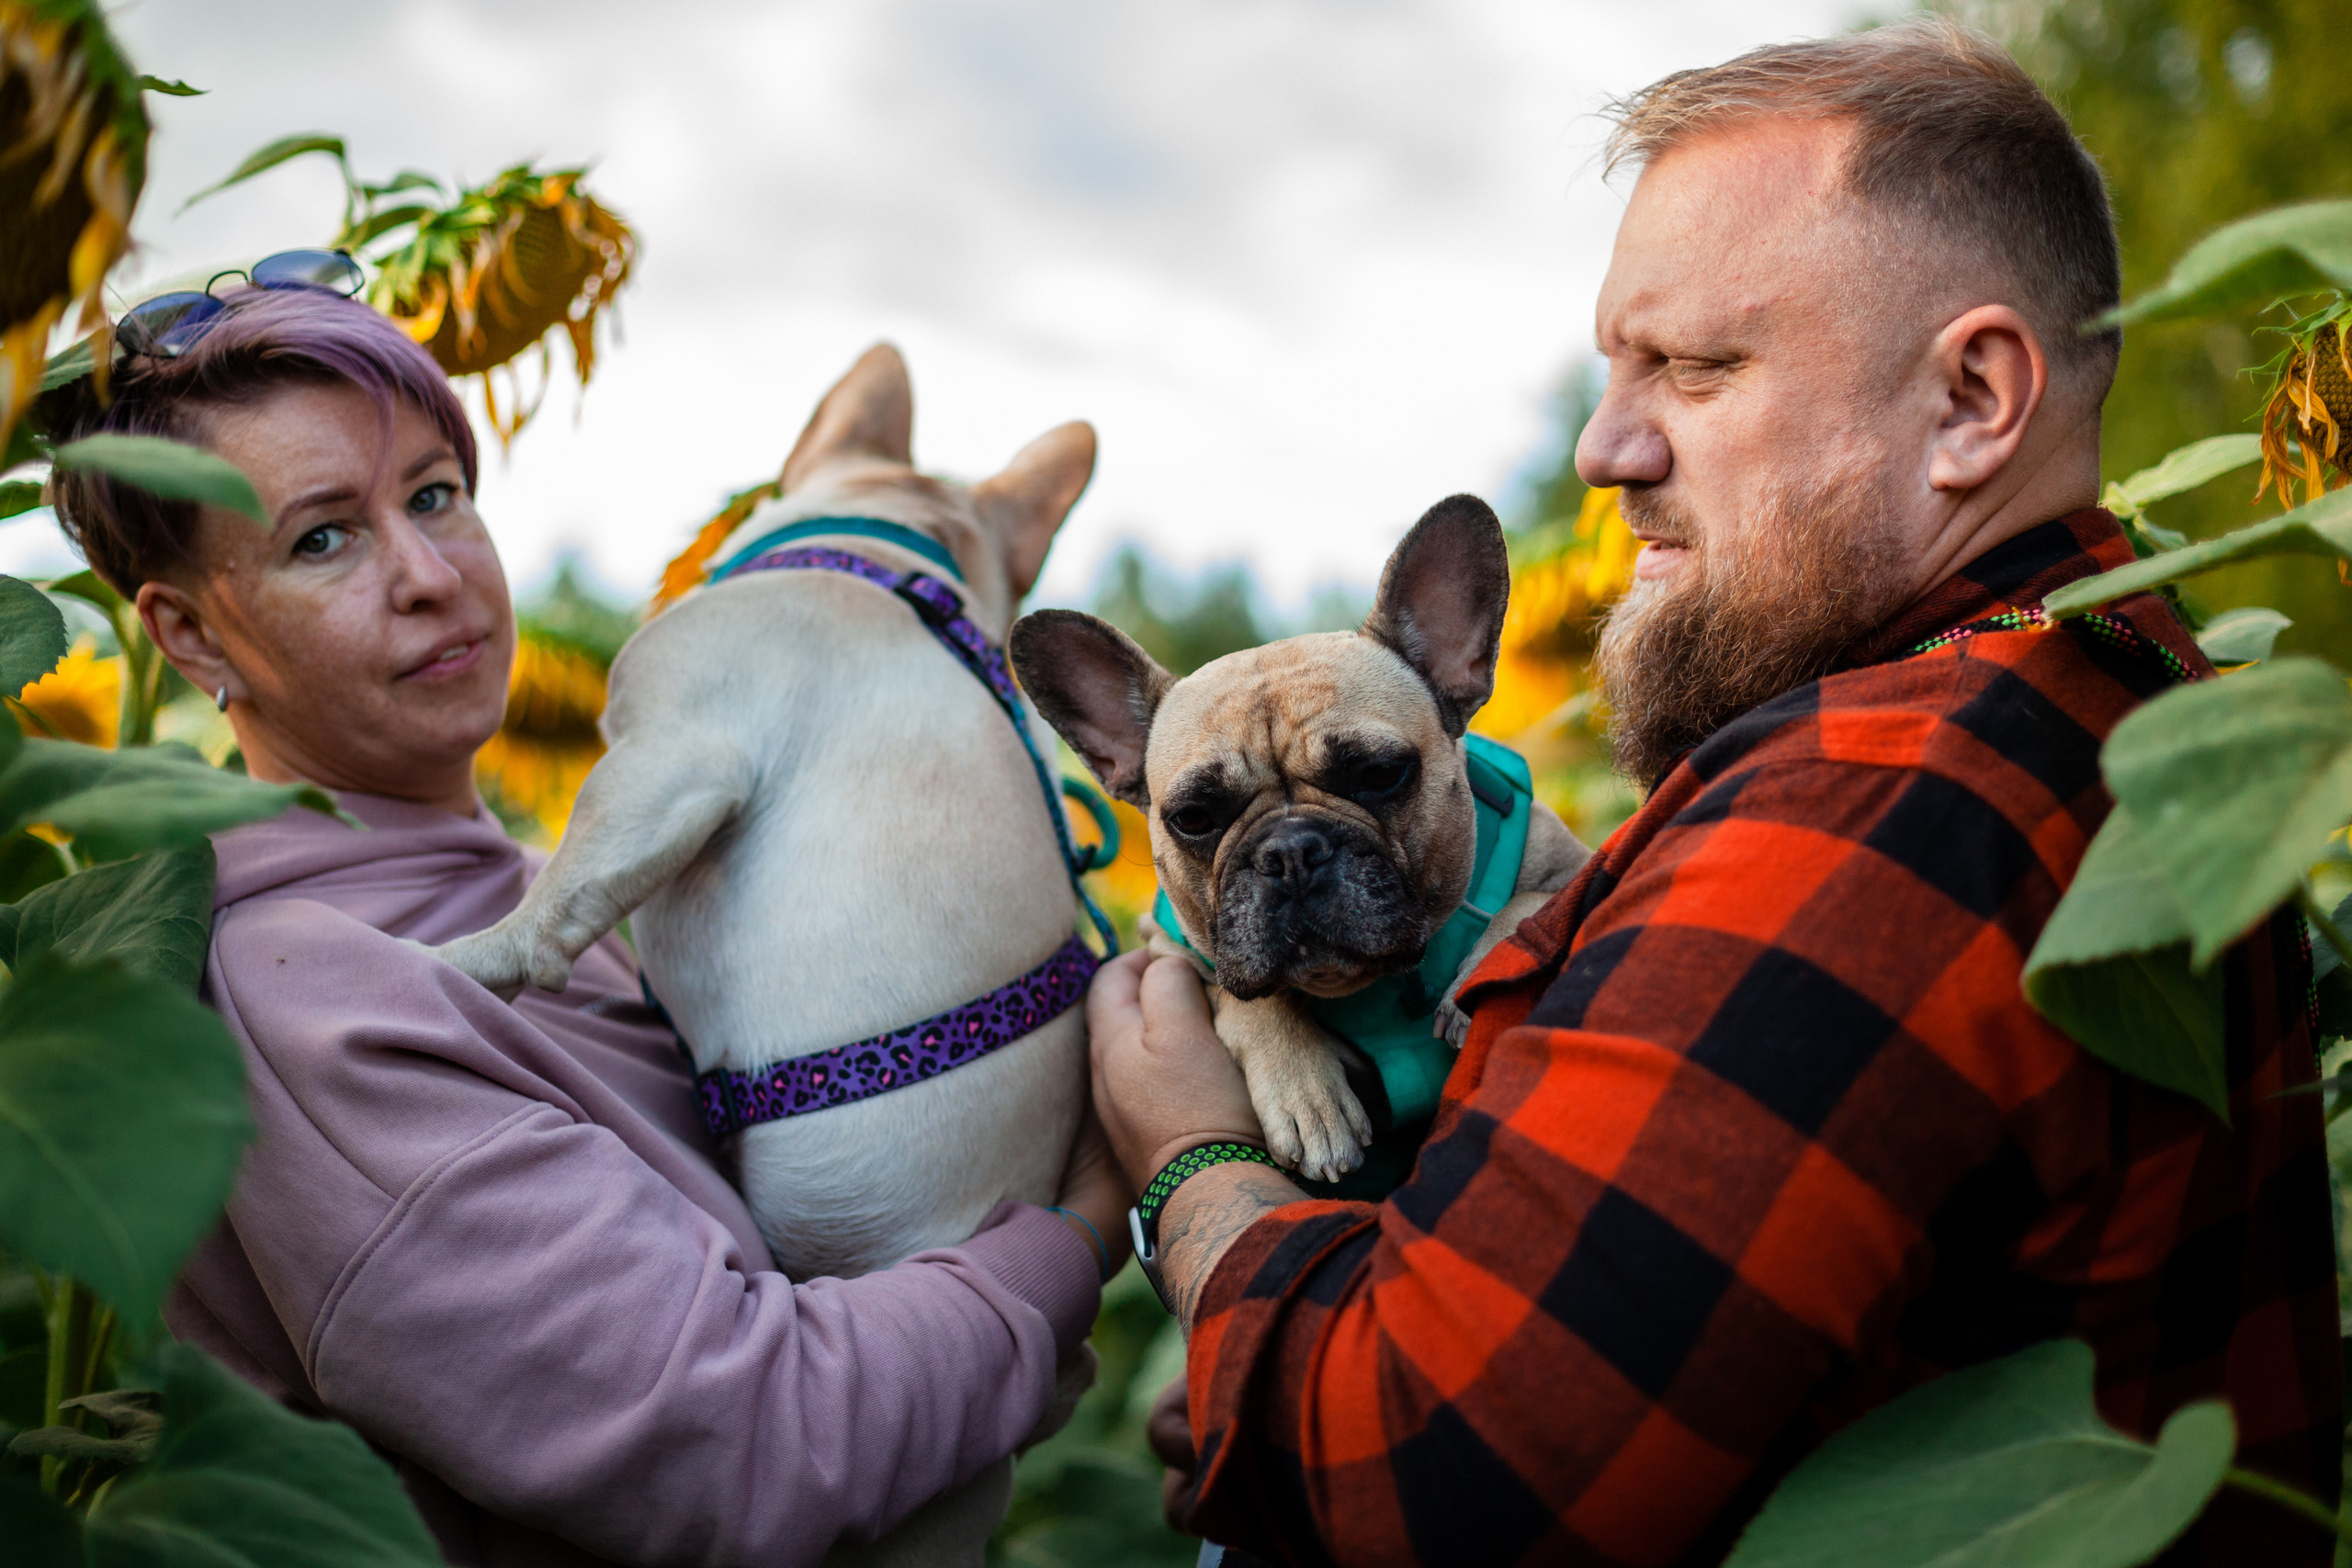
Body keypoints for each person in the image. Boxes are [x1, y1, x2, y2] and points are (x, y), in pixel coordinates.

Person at [1087, 19, 2339, 1568]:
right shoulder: (2130, 697)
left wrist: (1196, 1172)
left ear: (1972, 401)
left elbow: (1434, 1480)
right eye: (1615, 369)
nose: (1603, 450)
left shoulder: (1870, 807)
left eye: (1694, 367)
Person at [43, 279, 1128, 1567]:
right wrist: (1072, 1239)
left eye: (435, 495)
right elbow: (747, 1449)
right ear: (190, 636)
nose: (430, 576)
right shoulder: (315, 1000)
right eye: (322, 540)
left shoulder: (577, 888)